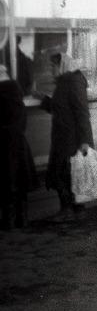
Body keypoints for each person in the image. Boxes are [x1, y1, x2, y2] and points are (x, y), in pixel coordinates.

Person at [34, 53, 94, 221]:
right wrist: (44, 99)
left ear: (62, 65)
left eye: (53, 66)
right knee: (66, 173)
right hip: (63, 135)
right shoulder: (64, 82)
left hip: (72, 138)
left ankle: (72, 210)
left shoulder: (73, 82)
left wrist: (84, 141)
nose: (51, 70)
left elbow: (82, 112)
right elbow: (59, 106)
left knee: (69, 173)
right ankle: (72, 210)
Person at [1, 65, 36, 229]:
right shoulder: (16, 92)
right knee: (19, 181)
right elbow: (21, 121)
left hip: (3, 146)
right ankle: (23, 218)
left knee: (5, 182)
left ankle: (8, 220)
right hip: (19, 145)